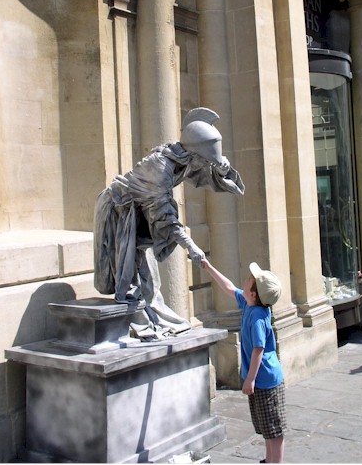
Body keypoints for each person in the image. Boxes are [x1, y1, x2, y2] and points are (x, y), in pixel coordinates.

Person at [93, 107, 244, 338]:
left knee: (149, 278)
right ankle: (138, 324)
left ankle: (152, 319)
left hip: (138, 214)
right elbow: (166, 218)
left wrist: (222, 171)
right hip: (119, 213)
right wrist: (191, 247)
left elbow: (205, 176)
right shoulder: (160, 168)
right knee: (130, 278)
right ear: (195, 155)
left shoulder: (183, 159)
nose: (205, 165)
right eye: (204, 161)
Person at [202, 258, 286, 464]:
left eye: (250, 279)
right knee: (267, 427)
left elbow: (259, 349)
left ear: (254, 294)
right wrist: (209, 267)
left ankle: (276, 462)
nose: (247, 279)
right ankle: (269, 460)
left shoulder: (258, 317)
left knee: (274, 430)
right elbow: (229, 288)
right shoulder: (250, 304)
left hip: (266, 380)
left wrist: (250, 379)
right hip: (260, 379)